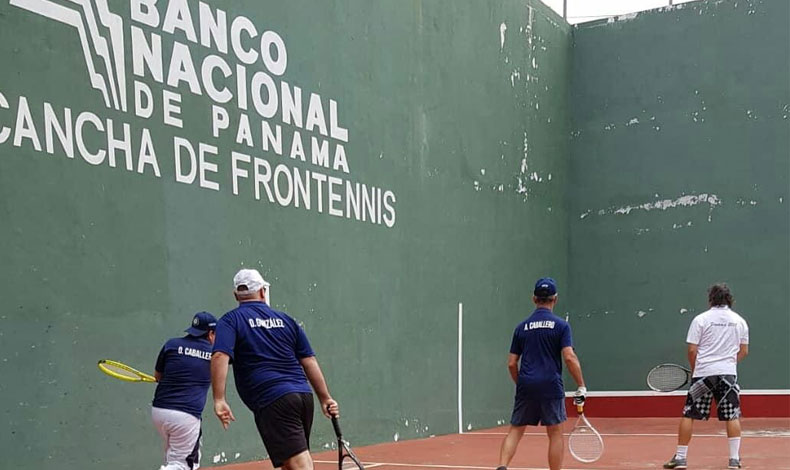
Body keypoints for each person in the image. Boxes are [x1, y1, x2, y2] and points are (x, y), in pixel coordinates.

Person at [211, 268, 339, 470]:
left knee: (299, 465)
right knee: (289, 464)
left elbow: (219, 355)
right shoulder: (287, 320)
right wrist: (325, 397)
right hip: (303, 398)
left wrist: (219, 399)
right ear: (262, 291)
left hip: (274, 401)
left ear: (236, 295)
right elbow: (309, 361)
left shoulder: (230, 320)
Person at [496, 277, 586, 470]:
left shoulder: (521, 328)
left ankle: (502, 466)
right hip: (551, 385)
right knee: (555, 433)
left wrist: (521, 383)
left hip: (526, 384)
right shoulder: (562, 326)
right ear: (555, 299)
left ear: (534, 299)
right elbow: (569, 357)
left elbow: (512, 363)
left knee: (516, 430)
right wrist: (581, 385)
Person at [664, 283, 749, 470]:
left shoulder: (700, 320)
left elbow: (692, 350)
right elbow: (744, 351)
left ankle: (680, 458)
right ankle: (734, 460)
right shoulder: (740, 321)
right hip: (728, 374)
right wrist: (728, 364)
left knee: (689, 414)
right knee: (732, 416)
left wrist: (696, 369)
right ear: (730, 299)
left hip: (703, 373)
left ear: (711, 299)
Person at [151, 311, 218, 470]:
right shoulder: (214, 355)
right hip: (185, 416)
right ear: (210, 334)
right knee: (183, 465)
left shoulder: (171, 345)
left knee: (173, 458)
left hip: (159, 412)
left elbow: (158, 376)